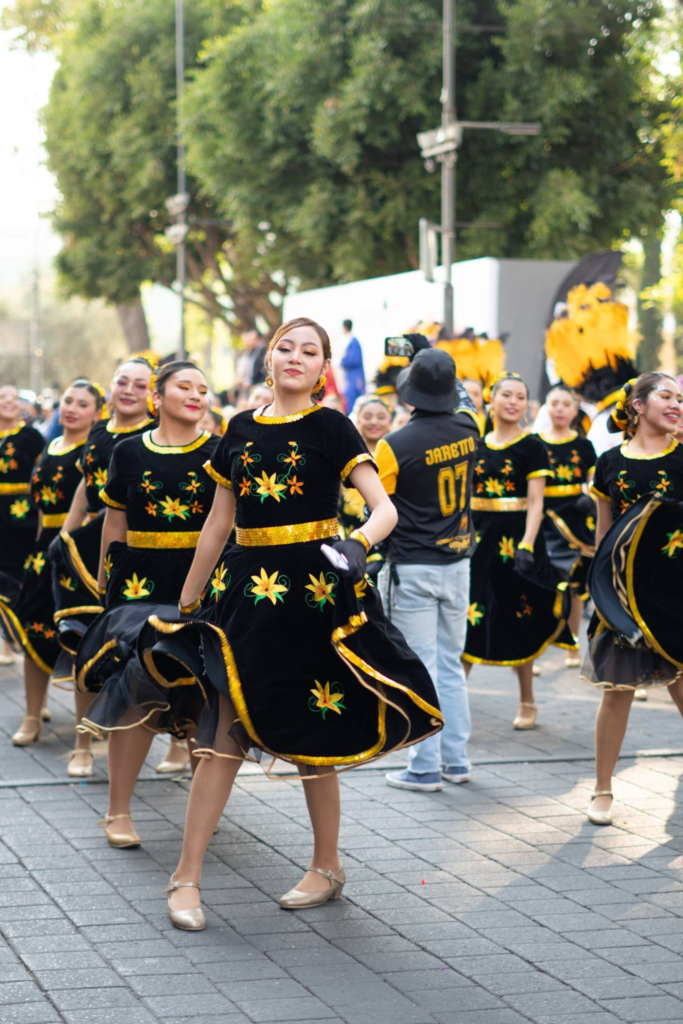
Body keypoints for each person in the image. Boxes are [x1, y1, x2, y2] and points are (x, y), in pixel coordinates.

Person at [142, 317, 442, 929]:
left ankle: (327, 866)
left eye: (311, 350)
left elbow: (383, 509)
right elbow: (218, 523)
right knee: (222, 731)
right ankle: (186, 877)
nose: (296, 357)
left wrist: (358, 544)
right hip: (245, 599)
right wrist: (187, 601)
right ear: (269, 359)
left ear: (323, 368)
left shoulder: (332, 425)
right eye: (286, 346)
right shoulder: (240, 429)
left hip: (314, 593)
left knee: (312, 733)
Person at [75, 362, 220, 847]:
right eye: (185, 386)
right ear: (158, 396)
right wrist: (103, 579)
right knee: (136, 687)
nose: (196, 394)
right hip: (138, 586)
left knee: (207, 696)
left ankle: (204, 809)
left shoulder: (221, 453)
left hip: (201, 586)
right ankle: (117, 811)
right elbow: (114, 522)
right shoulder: (128, 451)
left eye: (203, 388)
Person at [376, 349, 480, 792]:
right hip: (458, 565)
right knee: (451, 664)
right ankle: (456, 761)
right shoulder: (471, 429)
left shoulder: (393, 445)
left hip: (413, 567)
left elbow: (376, 508)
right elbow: (470, 403)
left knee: (423, 665)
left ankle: (423, 767)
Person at [585, 373, 683, 825]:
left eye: (680, 398)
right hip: (624, 595)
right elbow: (604, 534)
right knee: (617, 692)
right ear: (638, 406)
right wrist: (599, 596)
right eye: (666, 396)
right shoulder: (608, 463)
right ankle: (602, 789)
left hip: (677, 591)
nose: (676, 403)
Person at [54, 358, 155, 777]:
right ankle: (83, 743)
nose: (129, 390)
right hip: (84, 553)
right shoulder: (99, 431)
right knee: (83, 644)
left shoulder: (153, 437)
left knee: (146, 652)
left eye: (140, 384)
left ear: (154, 394)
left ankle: (180, 747)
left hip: (138, 554)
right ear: (110, 386)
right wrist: (66, 532)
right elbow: (85, 483)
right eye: (122, 381)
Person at [462, 372, 574, 729]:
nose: (512, 401)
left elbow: (536, 501)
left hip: (518, 542)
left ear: (527, 405)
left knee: (518, 615)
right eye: (506, 394)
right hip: (478, 541)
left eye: (520, 396)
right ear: (491, 400)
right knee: (470, 614)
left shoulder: (533, 445)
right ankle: (452, 698)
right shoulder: (473, 443)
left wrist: (527, 543)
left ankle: (527, 700)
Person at [0, 381, 103, 745]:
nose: (72, 408)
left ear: (97, 412)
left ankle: (85, 738)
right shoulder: (50, 448)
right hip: (42, 551)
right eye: (68, 402)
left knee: (80, 640)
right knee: (32, 632)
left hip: (79, 554)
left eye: (83, 404)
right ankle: (31, 716)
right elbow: (41, 508)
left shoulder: (93, 451)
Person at [537, 383, 597, 669]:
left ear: (575, 410)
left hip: (574, 521)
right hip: (541, 518)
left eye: (565, 404)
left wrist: (588, 497)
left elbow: (595, 482)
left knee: (574, 584)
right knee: (541, 582)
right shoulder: (535, 442)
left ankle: (572, 643)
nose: (560, 409)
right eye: (555, 403)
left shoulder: (584, 445)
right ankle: (536, 645)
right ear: (547, 407)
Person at [0, 385, 44, 666]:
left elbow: (43, 477)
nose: (9, 402)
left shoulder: (31, 437)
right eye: (3, 398)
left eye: (14, 398)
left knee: (15, 574)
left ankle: (11, 638)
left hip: (20, 516)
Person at [339, 396, 393, 577]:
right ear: (357, 419)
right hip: (349, 550)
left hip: (391, 552)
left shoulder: (397, 455)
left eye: (381, 417)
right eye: (367, 416)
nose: (374, 422)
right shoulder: (345, 454)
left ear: (390, 420)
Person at [338, 320, 365, 412]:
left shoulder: (352, 342)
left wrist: (342, 361)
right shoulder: (349, 340)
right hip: (349, 376)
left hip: (354, 377)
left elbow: (354, 359)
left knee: (353, 401)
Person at [234, 329, 266, 395]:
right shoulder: (246, 353)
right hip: (245, 386)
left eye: (251, 339)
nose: (248, 341)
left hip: (257, 386)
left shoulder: (262, 352)